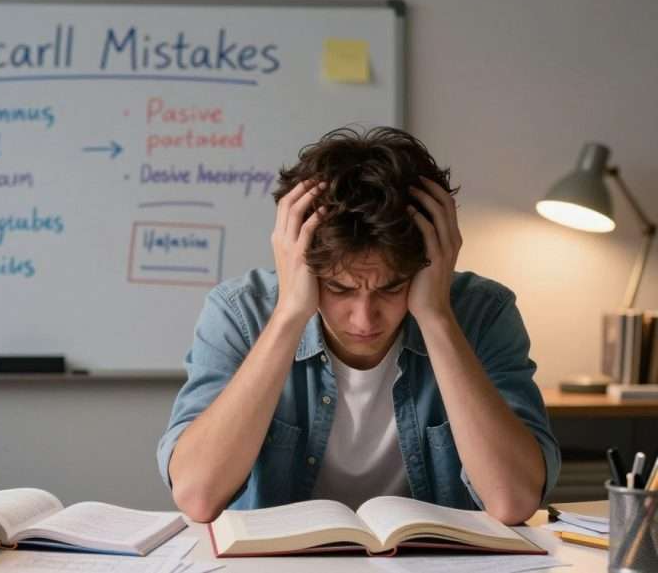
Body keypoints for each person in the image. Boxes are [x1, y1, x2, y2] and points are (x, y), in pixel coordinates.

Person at [156, 126, 560, 525]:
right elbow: (197, 496)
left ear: (428, 265)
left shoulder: (483, 312)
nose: (364, 318)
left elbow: (512, 500)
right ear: (298, 262)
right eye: (338, 287)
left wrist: (436, 318)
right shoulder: (239, 313)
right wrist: (288, 316)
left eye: (392, 287)